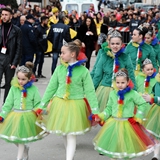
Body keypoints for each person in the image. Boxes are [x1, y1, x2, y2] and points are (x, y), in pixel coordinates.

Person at [36, 42, 99, 160]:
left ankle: (69, 158)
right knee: (64, 133)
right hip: (59, 104)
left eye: (63, 53)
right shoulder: (59, 69)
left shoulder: (83, 71)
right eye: (61, 52)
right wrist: (42, 105)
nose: (61, 55)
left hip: (76, 104)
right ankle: (69, 156)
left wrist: (95, 110)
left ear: (73, 54)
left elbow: (90, 91)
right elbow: (51, 88)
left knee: (71, 134)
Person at [93, 69, 156, 159]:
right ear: (115, 82)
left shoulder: (133, 94)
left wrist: (138, 116)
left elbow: (142, 104)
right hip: (114, 124)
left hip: (128, 124)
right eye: (118, 82)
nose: (120, 85)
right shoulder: (112, 94)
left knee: (126, 151)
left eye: (123, 82)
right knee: (114, 150)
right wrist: (101, 115)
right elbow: (109, 108)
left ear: (128, 82)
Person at [0, 62, 46, 160]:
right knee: (15, 139)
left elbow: (37, 102)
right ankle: (25, 149)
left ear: (29, 79)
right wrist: (2, 115)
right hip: (15, 116)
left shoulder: (33, 89)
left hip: (28, 116)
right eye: (19, 79)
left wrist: (38, 111)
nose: (20, 81)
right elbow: (8, 103)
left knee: (20, 140)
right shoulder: (14, 88)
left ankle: (19, 158)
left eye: (23, 79)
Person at [92, 30, 136, 112]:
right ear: (109, 44)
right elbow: (97, 75)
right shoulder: (104, 56)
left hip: (121, 90)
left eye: (117, 44)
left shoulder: (125, 57)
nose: (115, 46)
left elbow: (131, 75)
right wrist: (91, 91)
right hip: (105, 89)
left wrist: (135, 91)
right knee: (105, 115)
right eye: (112, 44)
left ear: (122, 44)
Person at [0, 7, 22, 103]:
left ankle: (5, 107)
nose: (4, 17)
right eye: (3, 15)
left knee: (8, 84)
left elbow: (19, 47)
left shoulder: (16, 30)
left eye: (6, 15)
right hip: (0, 57)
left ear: (11, 16)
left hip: (10, 58)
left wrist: (15, 62)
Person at [142, 66, 160, 160]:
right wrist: (149, 98)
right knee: (156, 135)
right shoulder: (157, 82)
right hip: (157, 111)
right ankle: (156, 156)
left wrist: (154, 99)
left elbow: (156, 98)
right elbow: (153, 92)